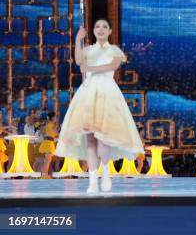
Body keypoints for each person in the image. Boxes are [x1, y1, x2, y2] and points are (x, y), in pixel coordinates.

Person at [55, 20, 144, 194]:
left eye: (104, 27)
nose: (100, 30)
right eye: (97, 27)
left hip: (107, 92)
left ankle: (106, 174)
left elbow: (112, 66)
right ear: (93, 31)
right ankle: (93, 180)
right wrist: (78, 40)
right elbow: (79, 61)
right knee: (90, 139)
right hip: (88, 93)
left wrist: (90, 68)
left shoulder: (115, 50)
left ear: (110, 30)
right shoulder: (88, 50)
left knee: (104, 137)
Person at [38, 112, 58, 178]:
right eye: (55, 117)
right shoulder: (52, 124)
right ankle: (44, 175)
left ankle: (44, 174)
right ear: (52, 118)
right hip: (49, 143)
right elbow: (56, 134)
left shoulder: (48, 124)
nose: (56, 118)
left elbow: (42, 132)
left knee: (46, 160)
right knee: (47, 160)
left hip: (47, 142)